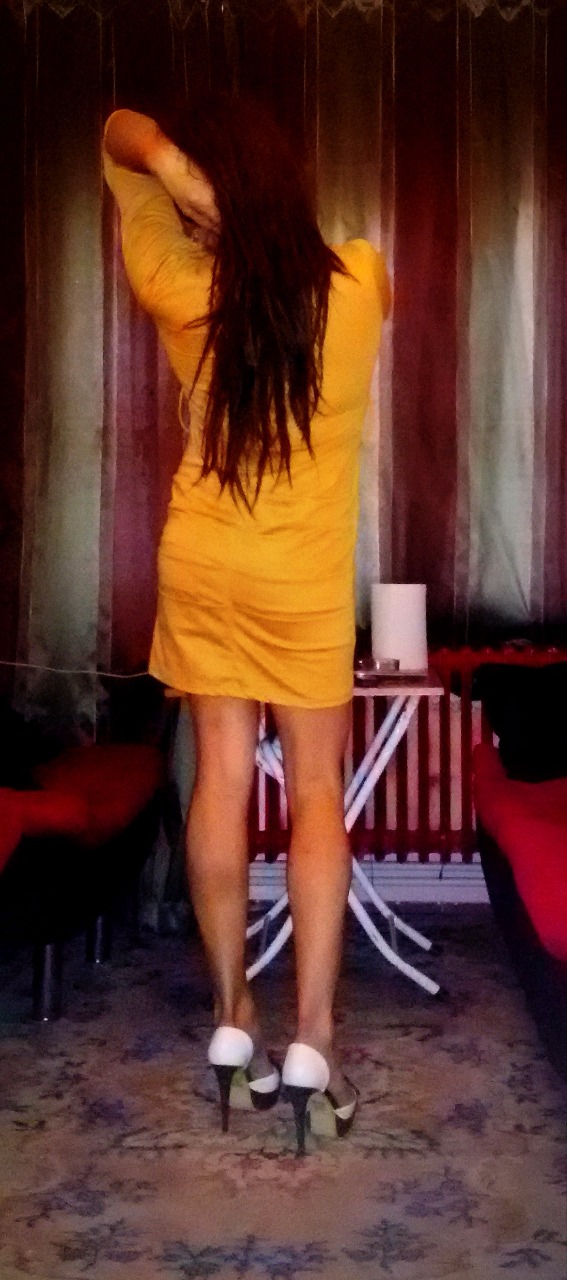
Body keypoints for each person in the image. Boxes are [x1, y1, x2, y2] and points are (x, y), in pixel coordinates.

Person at [103, 93, 391, 1155]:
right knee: (315, 791)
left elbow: (116, 137)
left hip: (204, 561)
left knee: (219, 777)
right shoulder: (358, 279)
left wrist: (176, 173)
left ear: (213, 195)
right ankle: (314, 1037)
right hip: (299, 577)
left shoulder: (180, 287)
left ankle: (234, 1014)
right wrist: (230, 202)